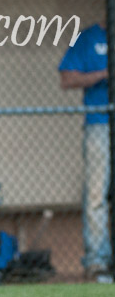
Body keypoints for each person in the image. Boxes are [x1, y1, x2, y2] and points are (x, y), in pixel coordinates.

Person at [59, 21, 113, 283]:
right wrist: (104, 74)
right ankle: (97, 262)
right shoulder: (89, 37)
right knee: (96, 194)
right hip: (99, 124)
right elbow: (67, 78)